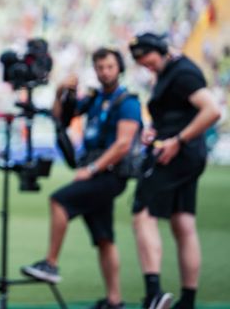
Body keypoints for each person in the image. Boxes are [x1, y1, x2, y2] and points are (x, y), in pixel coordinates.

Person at [21, 48, 142, 309]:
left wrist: (93, 169)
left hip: (108, 175)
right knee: (104, 238)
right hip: (97, 172)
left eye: (109, 66)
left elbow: (123, 145)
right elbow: (59, 118)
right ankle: (114, 301)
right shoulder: (96, 98)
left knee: (59, 201)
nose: (104, 72)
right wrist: (59, 92)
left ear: (119, 68)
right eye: (99, 67)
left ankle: (50, 263)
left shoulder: (128, 101)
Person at [129, 33, 221, 309]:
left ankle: (154, 293)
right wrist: (155, 131)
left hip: (176, 155)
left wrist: (177, 140)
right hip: (186, 155)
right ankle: (188, 300)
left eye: (149, 61)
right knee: (184, 223)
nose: (148, 67)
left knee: (142, 213)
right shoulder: (172, 70)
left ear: (161, 51)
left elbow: (213, 110)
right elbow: (176, 113)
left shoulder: (182, 73)